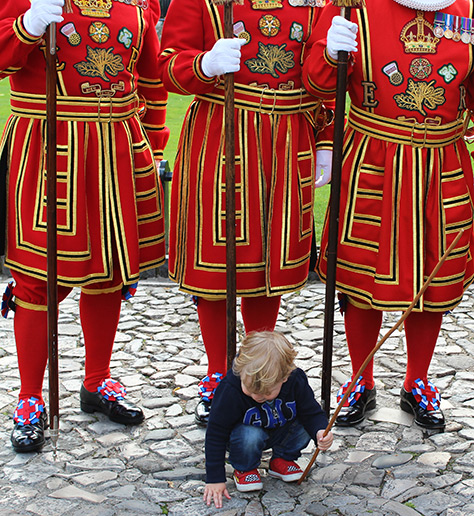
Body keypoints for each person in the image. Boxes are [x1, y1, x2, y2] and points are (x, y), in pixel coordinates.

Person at [0, 0, 169, 453]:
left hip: (117, 147)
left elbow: (151, 82)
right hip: (47, 144)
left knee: (109, 273)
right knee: (37, 281)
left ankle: (96, 382)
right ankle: (30, 398)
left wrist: (152, 145)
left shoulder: (138, 3)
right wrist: (28, 24)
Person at [157, 0, 334, 426]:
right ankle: (218, 373)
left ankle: (260, 372)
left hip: (288, 139)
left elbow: (326, 76)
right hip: (220, 134)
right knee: (216, 264)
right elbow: (167, 66)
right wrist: (205, 63)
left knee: (266, 265)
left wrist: (326, 139)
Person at [302, 0, 474, 431]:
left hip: (444, 159)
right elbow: (317, 84)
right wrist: (328, 54)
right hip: (374, 154)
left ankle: (417, 381)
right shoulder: (352, 3)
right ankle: (361, 381)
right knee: (360, 273)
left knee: (432, 276)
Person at [203, 331, 333, 508]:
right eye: (250, 390)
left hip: (281, 429)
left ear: (285, 378)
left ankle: (282, 459)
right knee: (250, 435)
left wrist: (320, 431)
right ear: (241, 372)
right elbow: (215, 433)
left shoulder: (295, 380)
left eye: (267, 393)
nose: (257, 396)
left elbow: (311, 412)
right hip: (244, 436)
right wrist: (215, 478)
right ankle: (244, 467)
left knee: (306, 425)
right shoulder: (230, 390)